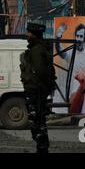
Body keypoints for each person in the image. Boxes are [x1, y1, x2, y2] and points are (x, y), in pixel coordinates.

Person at [20, 22, 56, 153]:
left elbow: (40, 72)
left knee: (37, 123)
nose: (27, 35)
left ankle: (42, 148)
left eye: (29, 33)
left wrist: (40, 88)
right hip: (37, 91)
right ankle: (41, 148)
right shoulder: (38, 49)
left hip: (36, 91)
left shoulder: (36, 51)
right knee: (38, 122)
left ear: (34, 35)